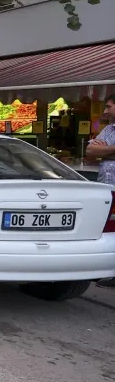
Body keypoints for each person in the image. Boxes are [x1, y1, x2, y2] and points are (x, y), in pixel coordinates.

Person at [85, 96, 115, 288]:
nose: (105, 111)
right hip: (109, 187)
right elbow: (90, 151)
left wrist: (105, 151)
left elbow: (98, 152)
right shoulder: (108, 129)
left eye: (109, 107)